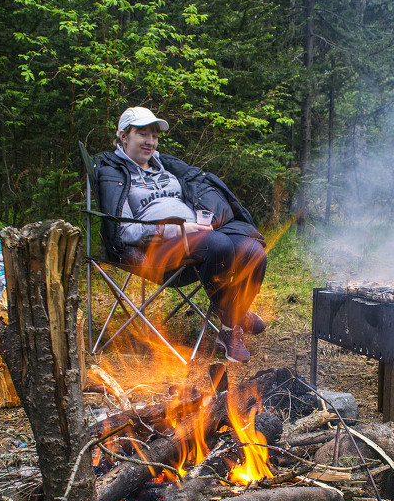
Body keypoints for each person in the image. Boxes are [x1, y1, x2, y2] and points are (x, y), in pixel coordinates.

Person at [95, 106, 267, 363]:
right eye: (143, 134)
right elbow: (124, 230)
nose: (150, 142)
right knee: (218, 246)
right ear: (123, 136)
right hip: (156, 248)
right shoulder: (113, 172)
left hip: (197, 234)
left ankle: (230, 325)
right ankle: (235, 319)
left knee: (253, 252)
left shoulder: (165, 165)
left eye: (154, 135)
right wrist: (177, 229)